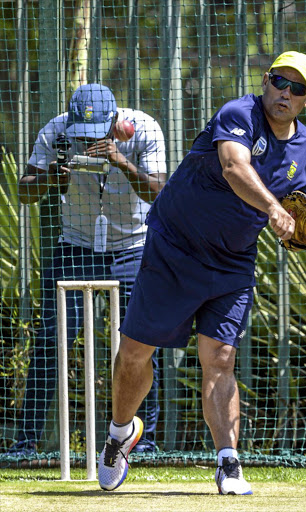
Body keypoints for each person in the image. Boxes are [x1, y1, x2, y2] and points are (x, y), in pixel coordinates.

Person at [97, 51, 306, 495]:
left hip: (233, 261)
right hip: (175, 247)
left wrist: (297, 227)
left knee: (220, 358)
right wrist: (274, 208)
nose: (285, 93)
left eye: (296, 89)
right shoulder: (239, 113)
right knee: (136, 353)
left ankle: (228, 463)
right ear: (266, 82)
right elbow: (235, 168)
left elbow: (293, 209)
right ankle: (121, 432)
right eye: (279, 81)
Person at [6, 84, 166, 457]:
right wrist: (51, 178)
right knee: (52, 338)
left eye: (95, 137)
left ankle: (147, 440)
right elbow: (25, 191)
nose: (86, 142)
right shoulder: (57, 130)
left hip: (134, 247)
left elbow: (159, 191)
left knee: (140, 343)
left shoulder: (143, 129)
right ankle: (26, 439)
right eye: (81, 135)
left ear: (115, 121)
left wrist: (121, 162)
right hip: (76, 243)